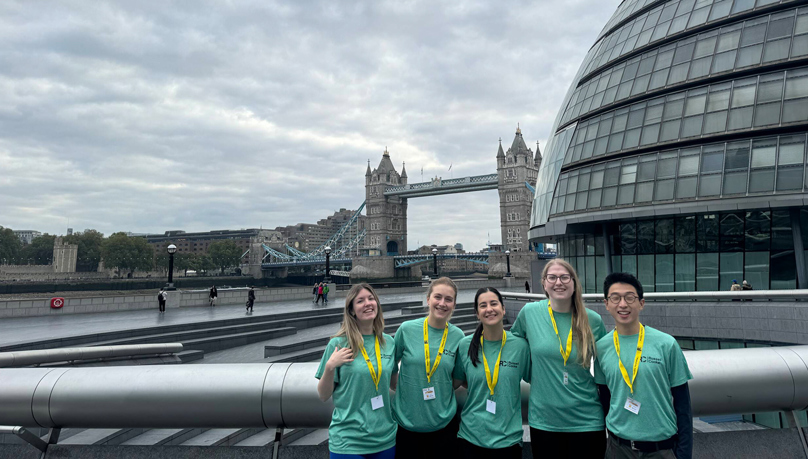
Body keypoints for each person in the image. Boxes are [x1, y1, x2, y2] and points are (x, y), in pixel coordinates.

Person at [511, 259, 607, 458]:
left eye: (564, 277)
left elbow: (606, 367)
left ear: (574, 283)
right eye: (552, 277)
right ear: (544, 283)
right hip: (545, 421)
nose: (558, 282)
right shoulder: (529, 313)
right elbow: (513, 346)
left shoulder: (593, 320)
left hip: (587, 420)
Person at [595, 272, 693, 459]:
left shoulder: (666, 344)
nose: (623, 304)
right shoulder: (602, 348)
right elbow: (606, 399)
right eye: (615, 298)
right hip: (618, 449)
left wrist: (684, 454)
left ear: (641, 303)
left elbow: (683, 404)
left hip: (661, 449)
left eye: (630, 297)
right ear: (607, 304)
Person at [316, 284, 398, 458]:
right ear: (352, 310)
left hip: (385, 438)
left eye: (371, 298)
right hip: (348, 440)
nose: (368, 303)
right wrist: (330, 367)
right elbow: (323, 395)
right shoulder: (338, 344)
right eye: (360, 301)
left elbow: (395, 383)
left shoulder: (388, 343)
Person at [453, 287, 530, 459]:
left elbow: (537, 379)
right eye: (483, 305)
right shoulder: (465, 345)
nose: (489, 309)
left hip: (508, 440)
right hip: (471, 438)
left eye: (494, 303)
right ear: (477, 313)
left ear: (503, 309)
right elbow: (455, 382)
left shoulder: (520, 346)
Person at [392, 277, 465, 459]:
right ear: (428, 299)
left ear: (454, 304)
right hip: (406, 426)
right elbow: (389, 365)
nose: (442, 303)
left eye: (448, 299)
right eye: (437, 297)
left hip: (444, 426)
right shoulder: (406, 329)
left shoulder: (458, 336)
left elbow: (456, 380)